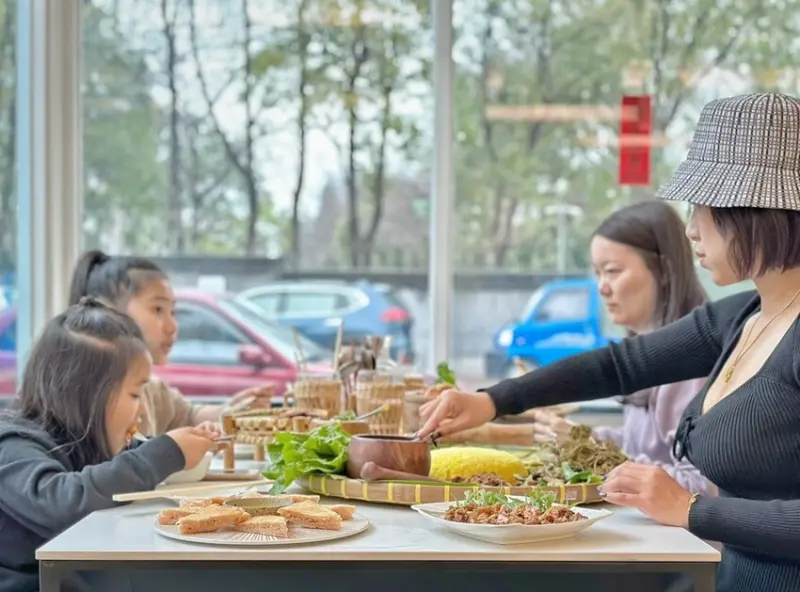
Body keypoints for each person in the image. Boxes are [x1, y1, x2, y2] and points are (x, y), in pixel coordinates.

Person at [417, 93, 800, 592]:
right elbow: (619, 366)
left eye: (701, 209)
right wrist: (492, 400)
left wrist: (691, 509)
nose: (689, 230)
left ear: (753, 213)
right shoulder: (741, 317)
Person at [0, 298, 219, 591]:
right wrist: (166, 453)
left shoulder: (80, 444)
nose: (141, 411)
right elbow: (66, 501)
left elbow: (108, 474)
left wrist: (178, 447)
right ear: (84, 396)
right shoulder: (12, 446)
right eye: (134, 395)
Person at [528, 201, 711, 495]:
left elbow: (703, 486)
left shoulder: (693, 363)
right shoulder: (645, 353)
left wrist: (591, 454)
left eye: (612, 271)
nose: (602, 288)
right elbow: (644, 446)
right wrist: (583, 439)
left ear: (664, 270)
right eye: (598, 273)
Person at [68, 251, 273, 436]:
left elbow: (188, 416)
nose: (172, 326)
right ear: (108, 312)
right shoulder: (91, 396)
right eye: (158, 309)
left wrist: (230, 411)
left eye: (172, 312)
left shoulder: (152, 388)